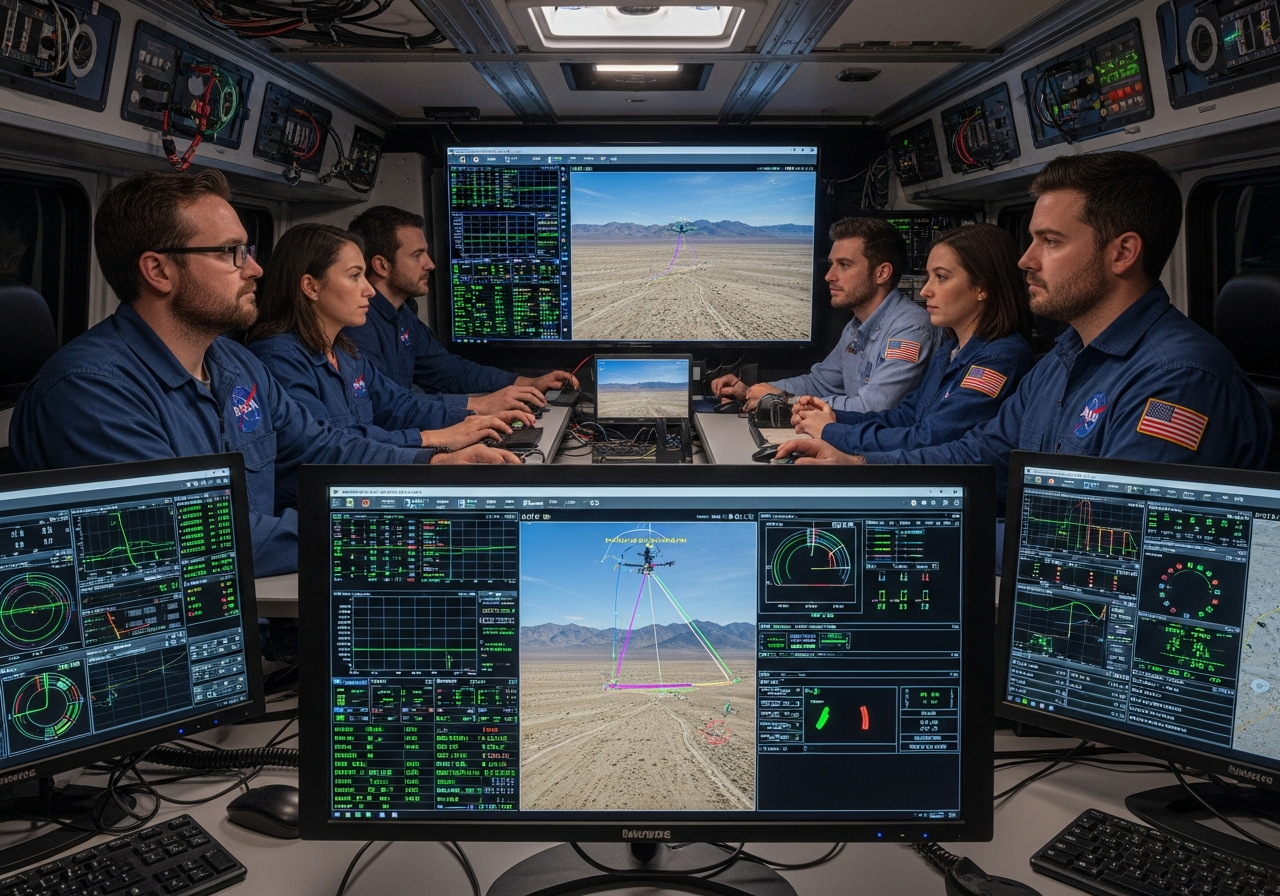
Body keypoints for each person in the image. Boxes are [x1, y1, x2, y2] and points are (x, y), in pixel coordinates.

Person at [8, 169, 515, 578]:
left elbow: (321, 448)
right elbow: (199, 540)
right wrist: (382, 524)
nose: (254, 269)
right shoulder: (91, 392)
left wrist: (434, 469)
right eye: (231, 253)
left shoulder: (233, 363)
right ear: (158, 271)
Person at [774, 152, 1272, 482]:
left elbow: (1108, 545)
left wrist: (928, 533)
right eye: (1031, 238)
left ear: (1122, 253)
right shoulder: (1064, 358)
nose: (1025, 260)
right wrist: (854, 461)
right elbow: (980, 452)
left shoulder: (1178, 379)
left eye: (1050, 242)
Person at [246, 223, 530, 508]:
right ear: (311, 286)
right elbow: (330, 447)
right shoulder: (278, 359)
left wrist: (471, 418)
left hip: (365, 488)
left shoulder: (346, 352)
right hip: (321, 509)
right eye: (355, 276)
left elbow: (400, 406)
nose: (369, 290)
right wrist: (432, 442)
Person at [790, 224, 1036, 454]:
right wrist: (833, 416)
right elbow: (907, 416)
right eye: (928, 277)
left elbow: (929, 438)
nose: (925, 291)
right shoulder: (951, 351)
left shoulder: (998, 361)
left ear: (982, 288)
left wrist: (832, 432)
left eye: (941, 277)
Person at [344, 206, 578, 412]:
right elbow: (386, 406)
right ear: (381, 265)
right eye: (417, 255)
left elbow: (450, 371)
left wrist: (528, 383)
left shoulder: (402, 316)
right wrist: (481, 405)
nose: (430, 264)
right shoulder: (357, 325)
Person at [710, 216, 939, 412]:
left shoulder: (910, 329)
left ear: (882, 273)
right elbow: (820, 384)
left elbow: (872, 408)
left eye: (844, 265)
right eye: (831, 264)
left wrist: (782, 400)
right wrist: (752, 391)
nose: (829, 276)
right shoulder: (856, 327)